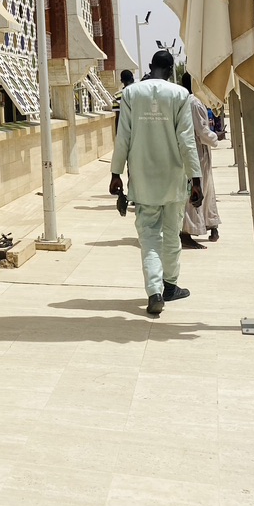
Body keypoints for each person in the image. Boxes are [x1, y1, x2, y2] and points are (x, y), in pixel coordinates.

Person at [109, 50, 203, 316]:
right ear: (172, 69)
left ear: (150, 67)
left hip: (143, 180)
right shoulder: (180, 95)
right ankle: (170, 285)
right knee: (172, 235)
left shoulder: (131, 94)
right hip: (173, 179)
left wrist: (116, 173)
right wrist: (196, 178)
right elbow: (186, 140)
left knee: (149, 237)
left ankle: (154, 291)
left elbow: (123, 137)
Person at [179, 72, 221, 247]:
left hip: (195, 151)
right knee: (197, 188)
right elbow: (202, 132)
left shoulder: (183, 101)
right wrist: (216, 137)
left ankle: (210, 223)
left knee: (206, 187)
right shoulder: (194, 103)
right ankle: (187, 231)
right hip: (197, 151)